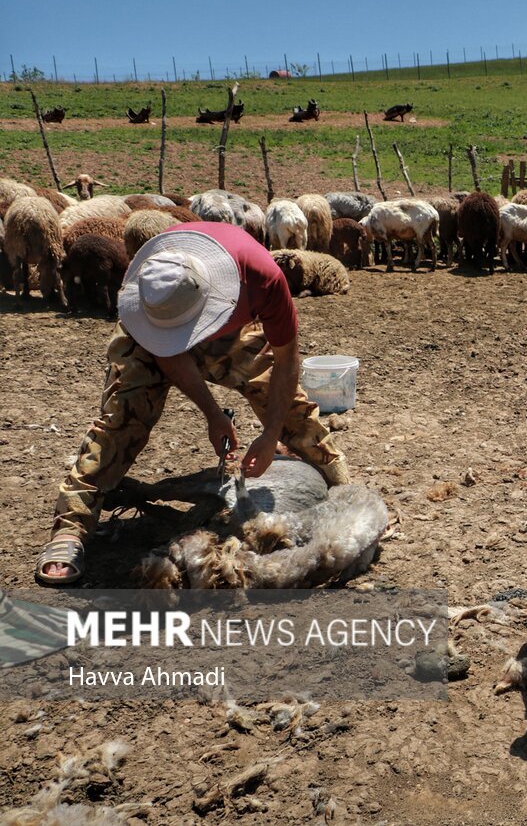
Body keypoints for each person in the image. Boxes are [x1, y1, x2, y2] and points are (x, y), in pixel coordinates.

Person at [36, 222, 349, 584]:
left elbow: (287, 359)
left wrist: (271, 432)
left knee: (290, 407)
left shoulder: (261, 278)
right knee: (122, 419)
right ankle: (71, 526)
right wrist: (213, 414)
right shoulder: (151, 288)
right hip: (151, 333)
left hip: (230, 327)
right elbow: (168, 351)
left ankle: (345, 490)